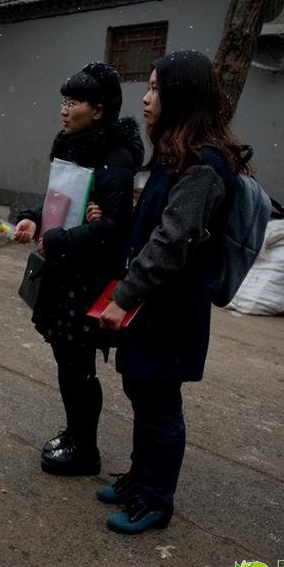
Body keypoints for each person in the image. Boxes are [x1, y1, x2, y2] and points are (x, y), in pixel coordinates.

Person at [97, 50, 248, 534]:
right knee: (142, 390)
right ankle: (139, 479)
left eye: (156, 88)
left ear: (181, 96)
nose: (146, 98)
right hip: (154, 303)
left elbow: (170, 243)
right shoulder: (176, 155)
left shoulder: (203, 165)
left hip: (170, 308)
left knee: (159, 402)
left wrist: (123, 297)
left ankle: (156, 499)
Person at [13, 63, 143, 476]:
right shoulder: (74, 146)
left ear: (98, 110)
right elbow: (58, 200)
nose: (64, 110)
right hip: (65, 276)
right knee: (68, 365)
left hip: (86, 282)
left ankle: (85, 450)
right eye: (63, 101)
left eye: (73, 103)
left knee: (78, 368)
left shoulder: (115, 160)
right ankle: (75, 434)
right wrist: (33, 217)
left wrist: (60, 240)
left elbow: (115, 228)